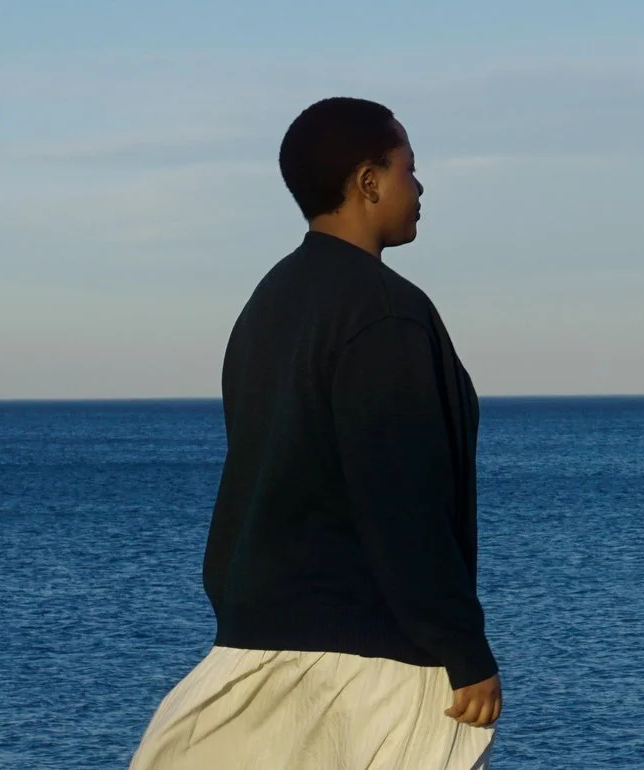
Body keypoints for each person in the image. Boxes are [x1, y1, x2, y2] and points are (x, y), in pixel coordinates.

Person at [129, 97, 500, 770]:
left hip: (252, 653)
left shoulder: (268, 303)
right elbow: (402, 498)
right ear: (368, 182)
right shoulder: (386, 313)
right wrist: (463, 648)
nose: (420, 188)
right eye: (409, 169)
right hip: (371, 668)